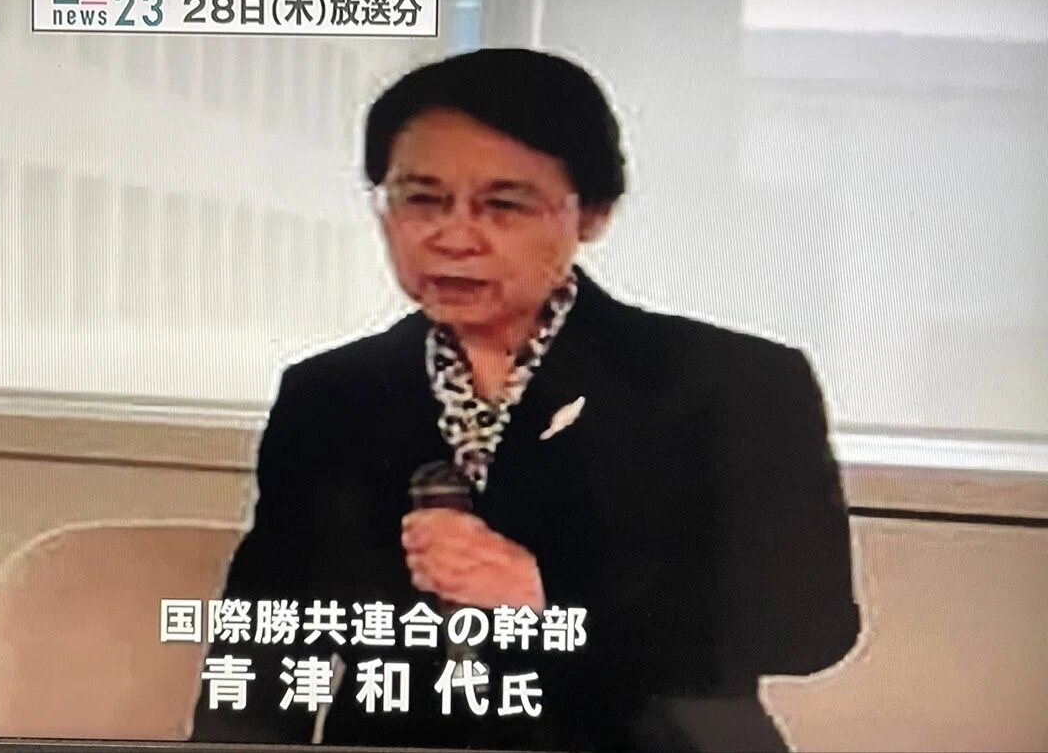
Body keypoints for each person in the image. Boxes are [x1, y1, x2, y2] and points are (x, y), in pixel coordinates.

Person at [190, 47, 860, 751]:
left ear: (592, 213)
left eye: (504, 205)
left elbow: (806, 627)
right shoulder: (328, 395)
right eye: (421, 199)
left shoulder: (731, 382)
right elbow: (262, 646)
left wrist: (546, 593)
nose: (453, 237)